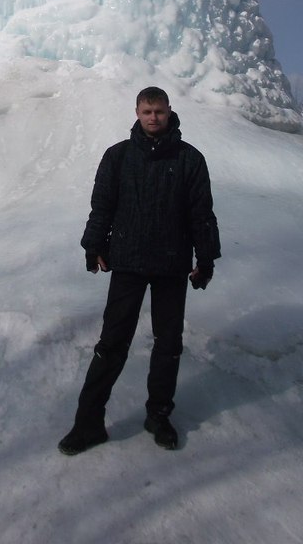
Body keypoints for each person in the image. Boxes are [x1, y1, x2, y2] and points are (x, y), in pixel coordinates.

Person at [58, 86, 221, 456]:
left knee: (169, 345)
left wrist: (206, 259)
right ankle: (88, 424)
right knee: (111, 344)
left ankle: (158, 416)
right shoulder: (118, 157)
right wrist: (93, 246)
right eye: (147, 112)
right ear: (136, 112)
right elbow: (102, 206)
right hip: (128, 262)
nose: (153, 118)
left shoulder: (189, 159)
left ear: (168, 112)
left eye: (159, 112)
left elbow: (201, 214)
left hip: (171, 265)